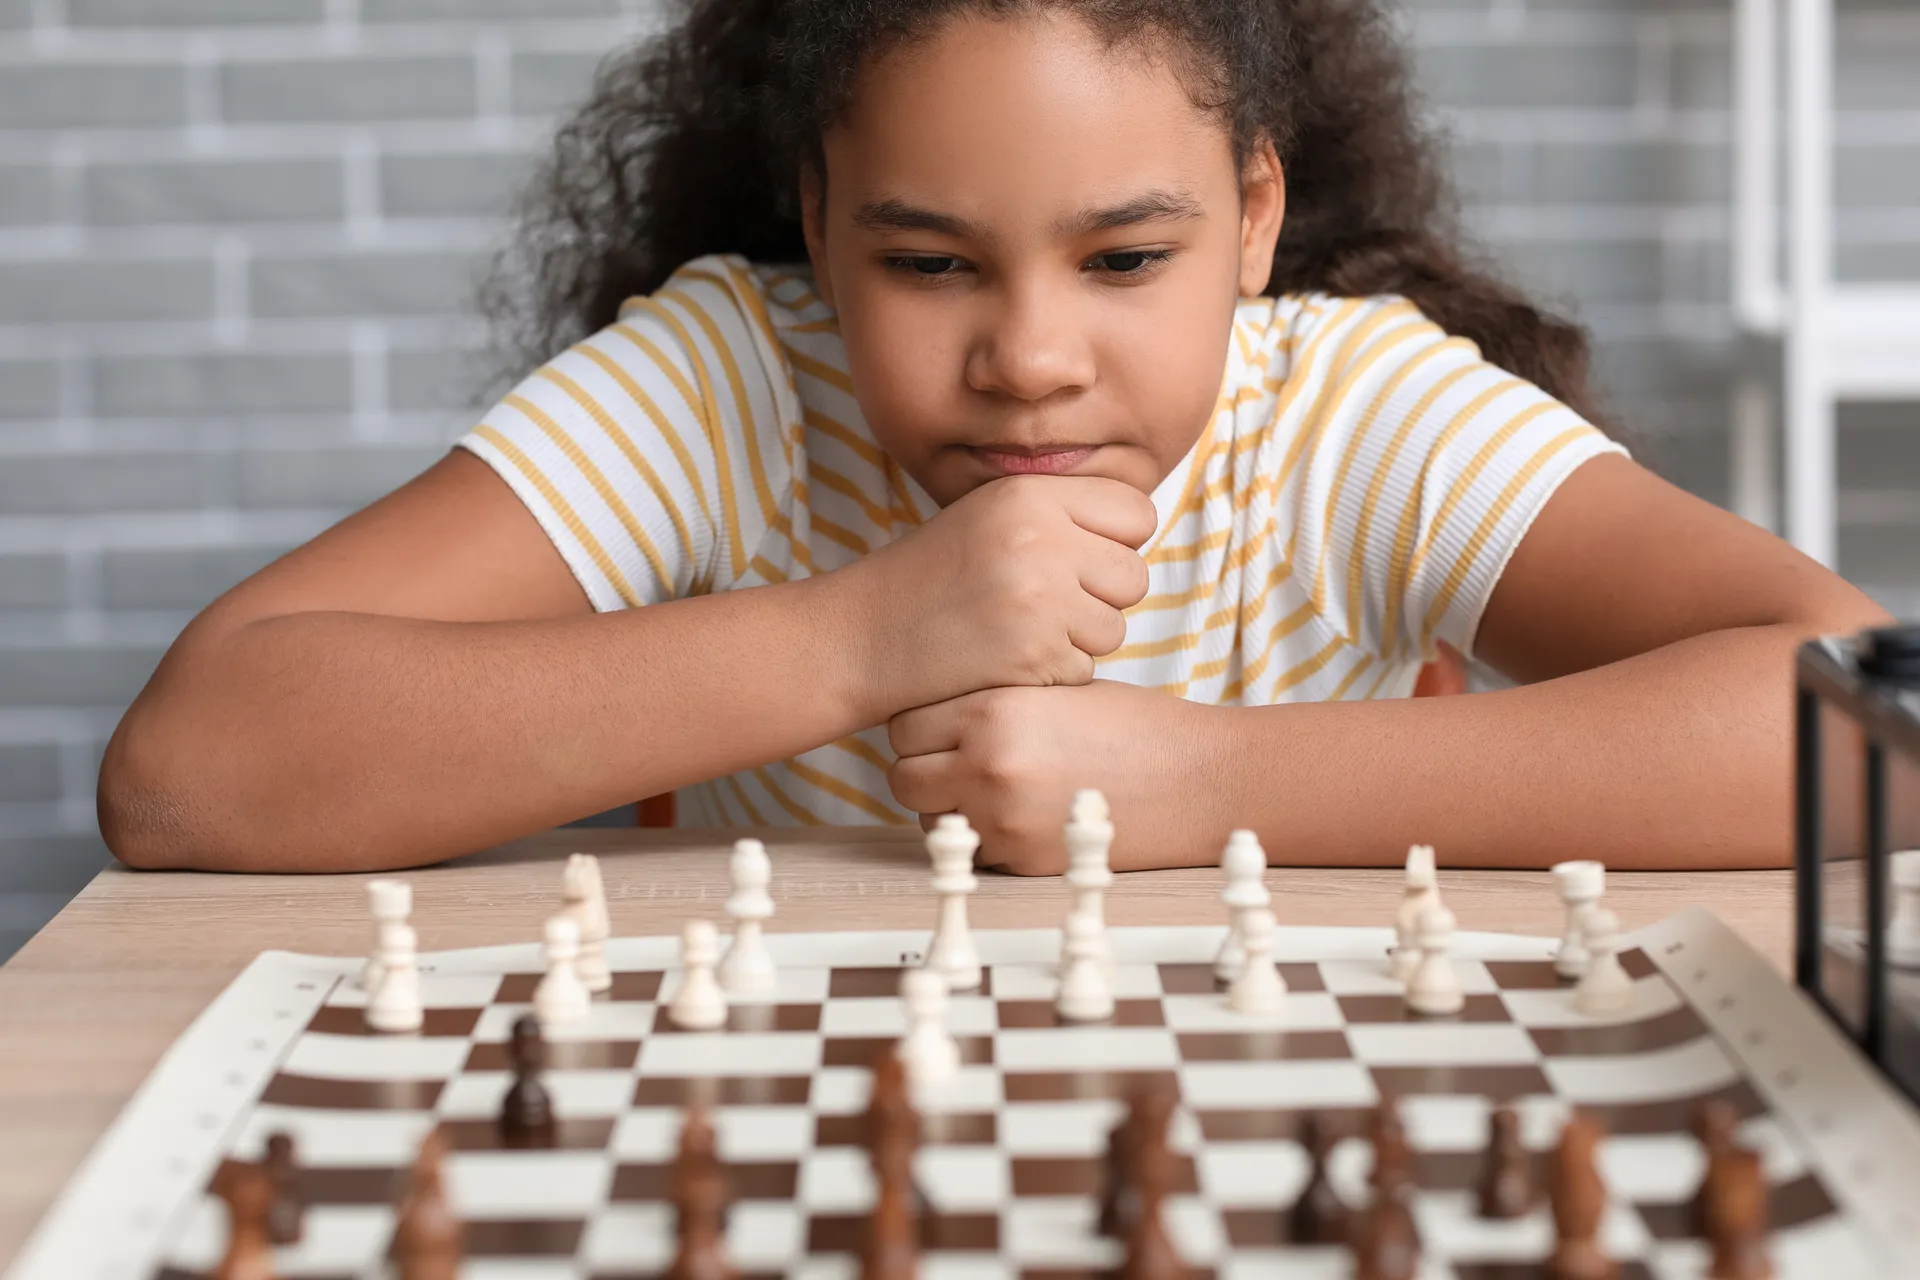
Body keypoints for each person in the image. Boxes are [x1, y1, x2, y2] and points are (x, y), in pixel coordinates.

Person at [97, 0, 1887, 876]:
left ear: (1255, 218)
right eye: (930, 261)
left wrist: (1216, 787)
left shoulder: (1348, 410)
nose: (1030, 357)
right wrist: (864, 632)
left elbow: (1871, 727)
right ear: (818, 217)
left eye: (1126, 257)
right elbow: (186, 775)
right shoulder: (731, 382)